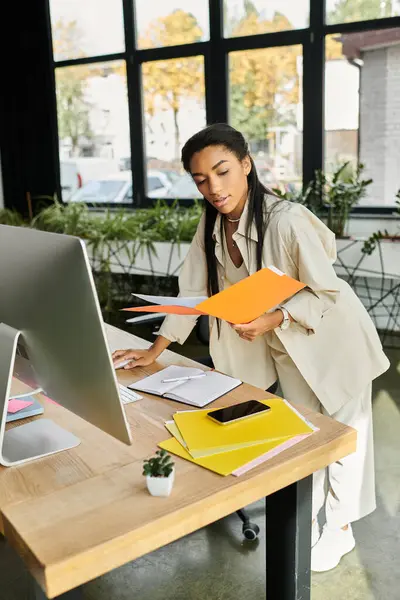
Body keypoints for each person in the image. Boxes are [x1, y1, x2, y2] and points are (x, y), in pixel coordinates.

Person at [113, 123, 390, 572]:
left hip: (333, 340)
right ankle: (314, 518)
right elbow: (193, 288)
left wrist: (273, 317)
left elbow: (327, 291)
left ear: (246, 164)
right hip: (286, 345)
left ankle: (339, 530)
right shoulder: (212, 222)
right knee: (308, 435)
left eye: (222, 171)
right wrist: (155, 349)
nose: (213, 187)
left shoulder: (287, 220)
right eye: (201, 179)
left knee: (342, 438)